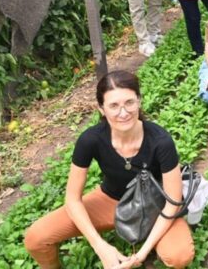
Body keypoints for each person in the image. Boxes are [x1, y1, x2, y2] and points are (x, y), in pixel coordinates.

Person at [24, 70, 194, 269]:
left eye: (129, 102)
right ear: (102, 109)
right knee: (36, 238)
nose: (123, 112)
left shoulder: (160, 141)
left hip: (155, 205)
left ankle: (150, 237)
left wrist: (141, 254)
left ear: (139, 101)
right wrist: (100, 246)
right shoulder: (90, 139)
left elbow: (173, 202)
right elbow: (72, 199)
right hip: (109, 201)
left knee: (179, 256)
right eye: (114, 105)